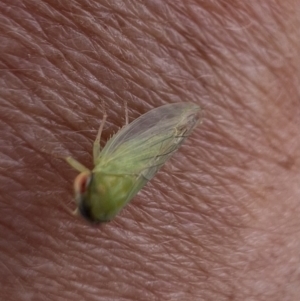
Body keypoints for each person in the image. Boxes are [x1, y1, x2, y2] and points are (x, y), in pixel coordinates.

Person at [1, 2, 299, 300]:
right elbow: (90, 162)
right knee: (114, 154)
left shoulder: (101, 184)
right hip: (123, 159)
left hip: (127, 162)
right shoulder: (100, 173)